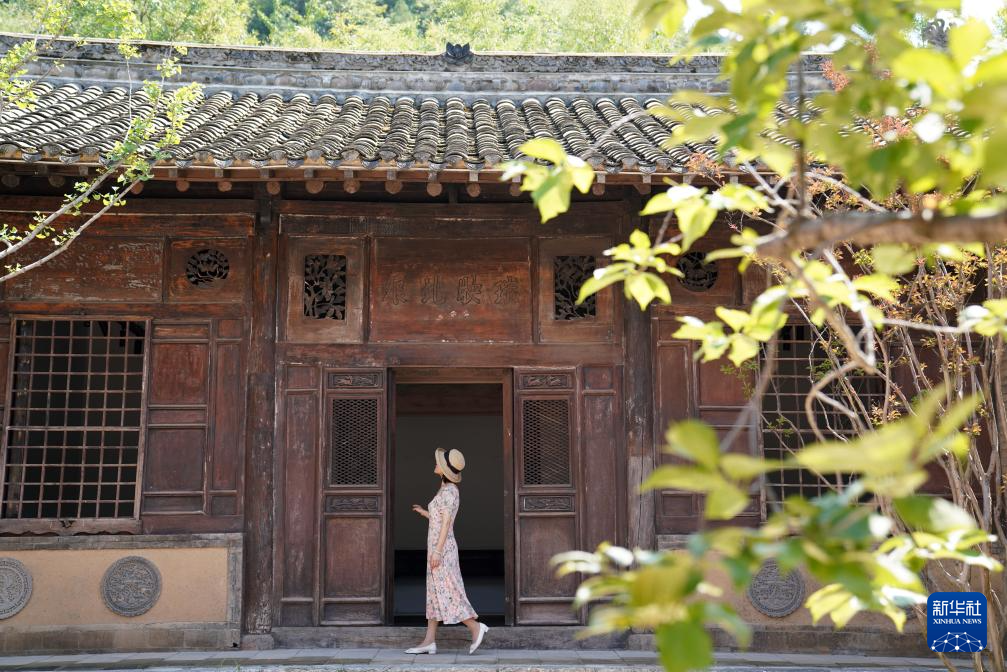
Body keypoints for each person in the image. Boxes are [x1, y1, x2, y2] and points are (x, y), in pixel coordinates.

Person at [405, 447, 489, 655]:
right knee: (434, 593)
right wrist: (424, 512)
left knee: (449, 591)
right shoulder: (444, 490)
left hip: (442, 550)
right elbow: (439, 519)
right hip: (436, 548)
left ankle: (475, 627)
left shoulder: (450, 492)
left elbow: (446, 524)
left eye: (439, 462)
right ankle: (429, 641)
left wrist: (438, 551)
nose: (436, 463)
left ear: (444, 469)